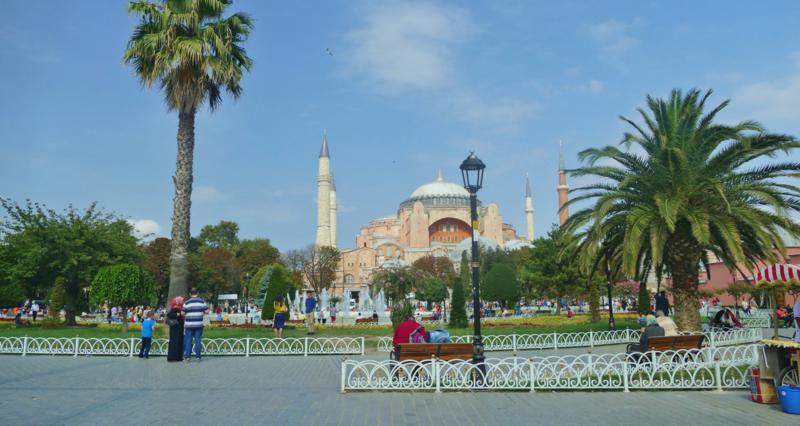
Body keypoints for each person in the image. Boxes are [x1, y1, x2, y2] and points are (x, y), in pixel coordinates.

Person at [183, 288, 208, 361]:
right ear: (198, 293)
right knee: (198, 340)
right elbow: (207, 311)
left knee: (188, 340)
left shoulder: (186, 303)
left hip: (189, 324)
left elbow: (183, 313)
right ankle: (198, 357)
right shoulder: (202, 302)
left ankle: (187, 357)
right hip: (199, 324)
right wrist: (201, 313)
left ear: (190, 294)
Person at [165, 297, 184, 362]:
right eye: (181, 301)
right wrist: (177, 315)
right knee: (175, 342)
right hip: (176, 328)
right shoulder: (175, 308)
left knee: (177, 342)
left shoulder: (179, 308)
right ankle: (174, 357)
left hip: (177, 328)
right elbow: (169, 314)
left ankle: (177, 357)